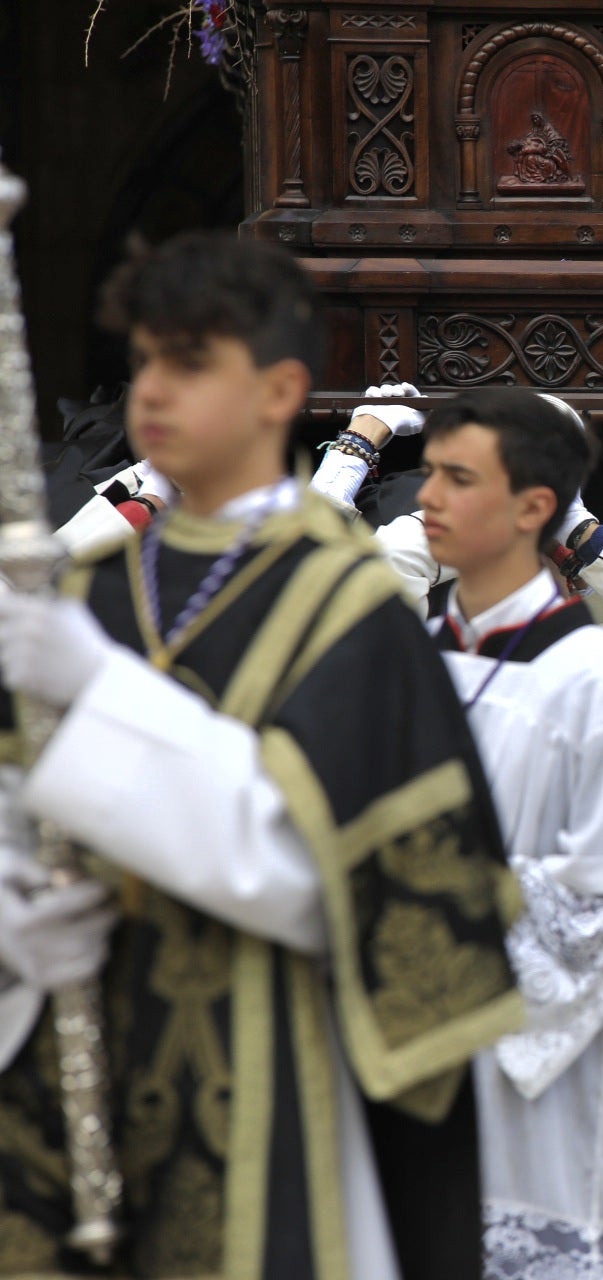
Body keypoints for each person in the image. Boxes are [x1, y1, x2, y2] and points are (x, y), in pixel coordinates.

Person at [0, 233, 522, 1278]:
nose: (152, 390)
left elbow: (324, 876)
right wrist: (17, 934)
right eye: (145, 359)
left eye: (190, 363)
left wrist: (100, 698)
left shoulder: (349, 604)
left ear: (282, 387)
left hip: (277, 1073)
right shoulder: (88, 595)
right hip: (76, 1069)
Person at [412, 388, 603, 1278]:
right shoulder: (416, 665)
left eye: (456, 479)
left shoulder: (599, 693)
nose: (425, 497)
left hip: (556, 1111)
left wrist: (416, 899)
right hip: (425, 1087)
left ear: (534, 507)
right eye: (426, 472)